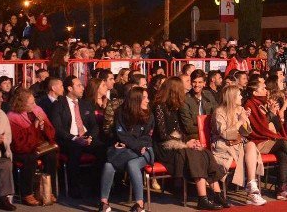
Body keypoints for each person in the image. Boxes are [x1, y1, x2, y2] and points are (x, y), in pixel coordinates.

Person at [153, 77, 228, 210]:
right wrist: (185, 144)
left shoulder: (176, 106)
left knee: (204, 152)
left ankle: (217, 193)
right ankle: (202, 198)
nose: (185, 90)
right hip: (164, 147)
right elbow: (163, 135)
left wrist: (189, 141)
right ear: (175, 90)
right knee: (193, 154)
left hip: (178, 142)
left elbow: (181, 131)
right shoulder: (159, 106)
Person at [211, 86, 267, 205]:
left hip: (239, 143)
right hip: (224, 145)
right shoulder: (219, 112)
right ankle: (252, 193)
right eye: (239, 95)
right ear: (232, 97)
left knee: (251, 145)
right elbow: (225, 134)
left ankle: (251, 184)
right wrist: (240, 121)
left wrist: (245, 120)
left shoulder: (240, 109)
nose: (242, 97)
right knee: (249, 151)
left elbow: (247, 133)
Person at [100, 87, 153, 212]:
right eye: (144, 98)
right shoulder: (121, 113)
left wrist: (132, 144)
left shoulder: (149, 115)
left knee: (131, 164)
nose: (148, 101)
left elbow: (147, 138)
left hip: (145, 150)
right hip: (127, 150)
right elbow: (122, 135)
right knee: (108, 165)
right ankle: (103, 203)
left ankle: (139, 204)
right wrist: (131, 144)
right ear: (136, 100)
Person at [48, 75, 98, 198]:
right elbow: (58, 129)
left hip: (86, 137)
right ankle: (74, 188)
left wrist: (90, 137)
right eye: (79, 85)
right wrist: (75, 138)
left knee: (103, 149)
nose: (82, 88)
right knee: (75, 150)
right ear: (70, 88)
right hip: (69, 139)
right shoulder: (58, 105)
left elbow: (94, 125)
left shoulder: (86, 104)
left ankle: (95, 185)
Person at [7, 89, 57, 206]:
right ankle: (27, 193)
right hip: (21, 148)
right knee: (30, 158)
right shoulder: (12, 117)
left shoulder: (37, 110)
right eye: (32, 103)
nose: (35, 105)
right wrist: (34, 127)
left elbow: (51, 131)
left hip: (37, 144)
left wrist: (42, 127)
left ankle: (48, 190)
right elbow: (18, 142)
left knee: (51, 156)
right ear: (22, 104)